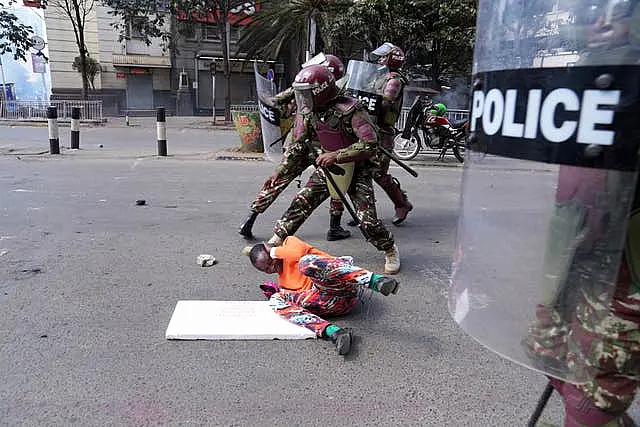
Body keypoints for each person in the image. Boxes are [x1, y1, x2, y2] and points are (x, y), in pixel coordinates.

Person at [266, 63, 402, 275]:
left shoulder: (352, 110)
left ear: (320, 93)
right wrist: (280, 171)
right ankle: (276, 240)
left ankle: (389, 248)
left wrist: (336, 155)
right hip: (328, 168)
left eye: (305, 94)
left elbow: (369, 144)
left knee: (367, 220)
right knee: (302, 201)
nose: (301, 99)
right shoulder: (311, 112)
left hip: (357, 169)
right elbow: (299, 145)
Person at [238, 54, 352, 242]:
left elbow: (280, 105)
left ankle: (250, 219)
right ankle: (334, 226)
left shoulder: (304, 92)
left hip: (300, 145)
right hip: (323, 148)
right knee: (336, 183)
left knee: (279, 179)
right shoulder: (334, 94)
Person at [248, 235, 400, 355]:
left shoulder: (290, 243)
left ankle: (375, 281)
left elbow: (297, 254)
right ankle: (334, 333)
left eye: (269, 262)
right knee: (276, 299)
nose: (269, 269)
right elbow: (302, 303)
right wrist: (280, 295)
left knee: (305, 262)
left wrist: (273, 250)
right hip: (329, 304)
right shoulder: (283, 281)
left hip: (341, 286)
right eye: (264, 269)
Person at [366, 42, 414, 226]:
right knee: (362, 171)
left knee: (379, 173)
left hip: (382, 131)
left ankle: (401, 203)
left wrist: (365, 104)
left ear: (391, 59)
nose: (379, 60)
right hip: (369, 127)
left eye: (383, 57)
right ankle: (364, 208)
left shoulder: (393, 80)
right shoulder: (378, 77)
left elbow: (386, 102)